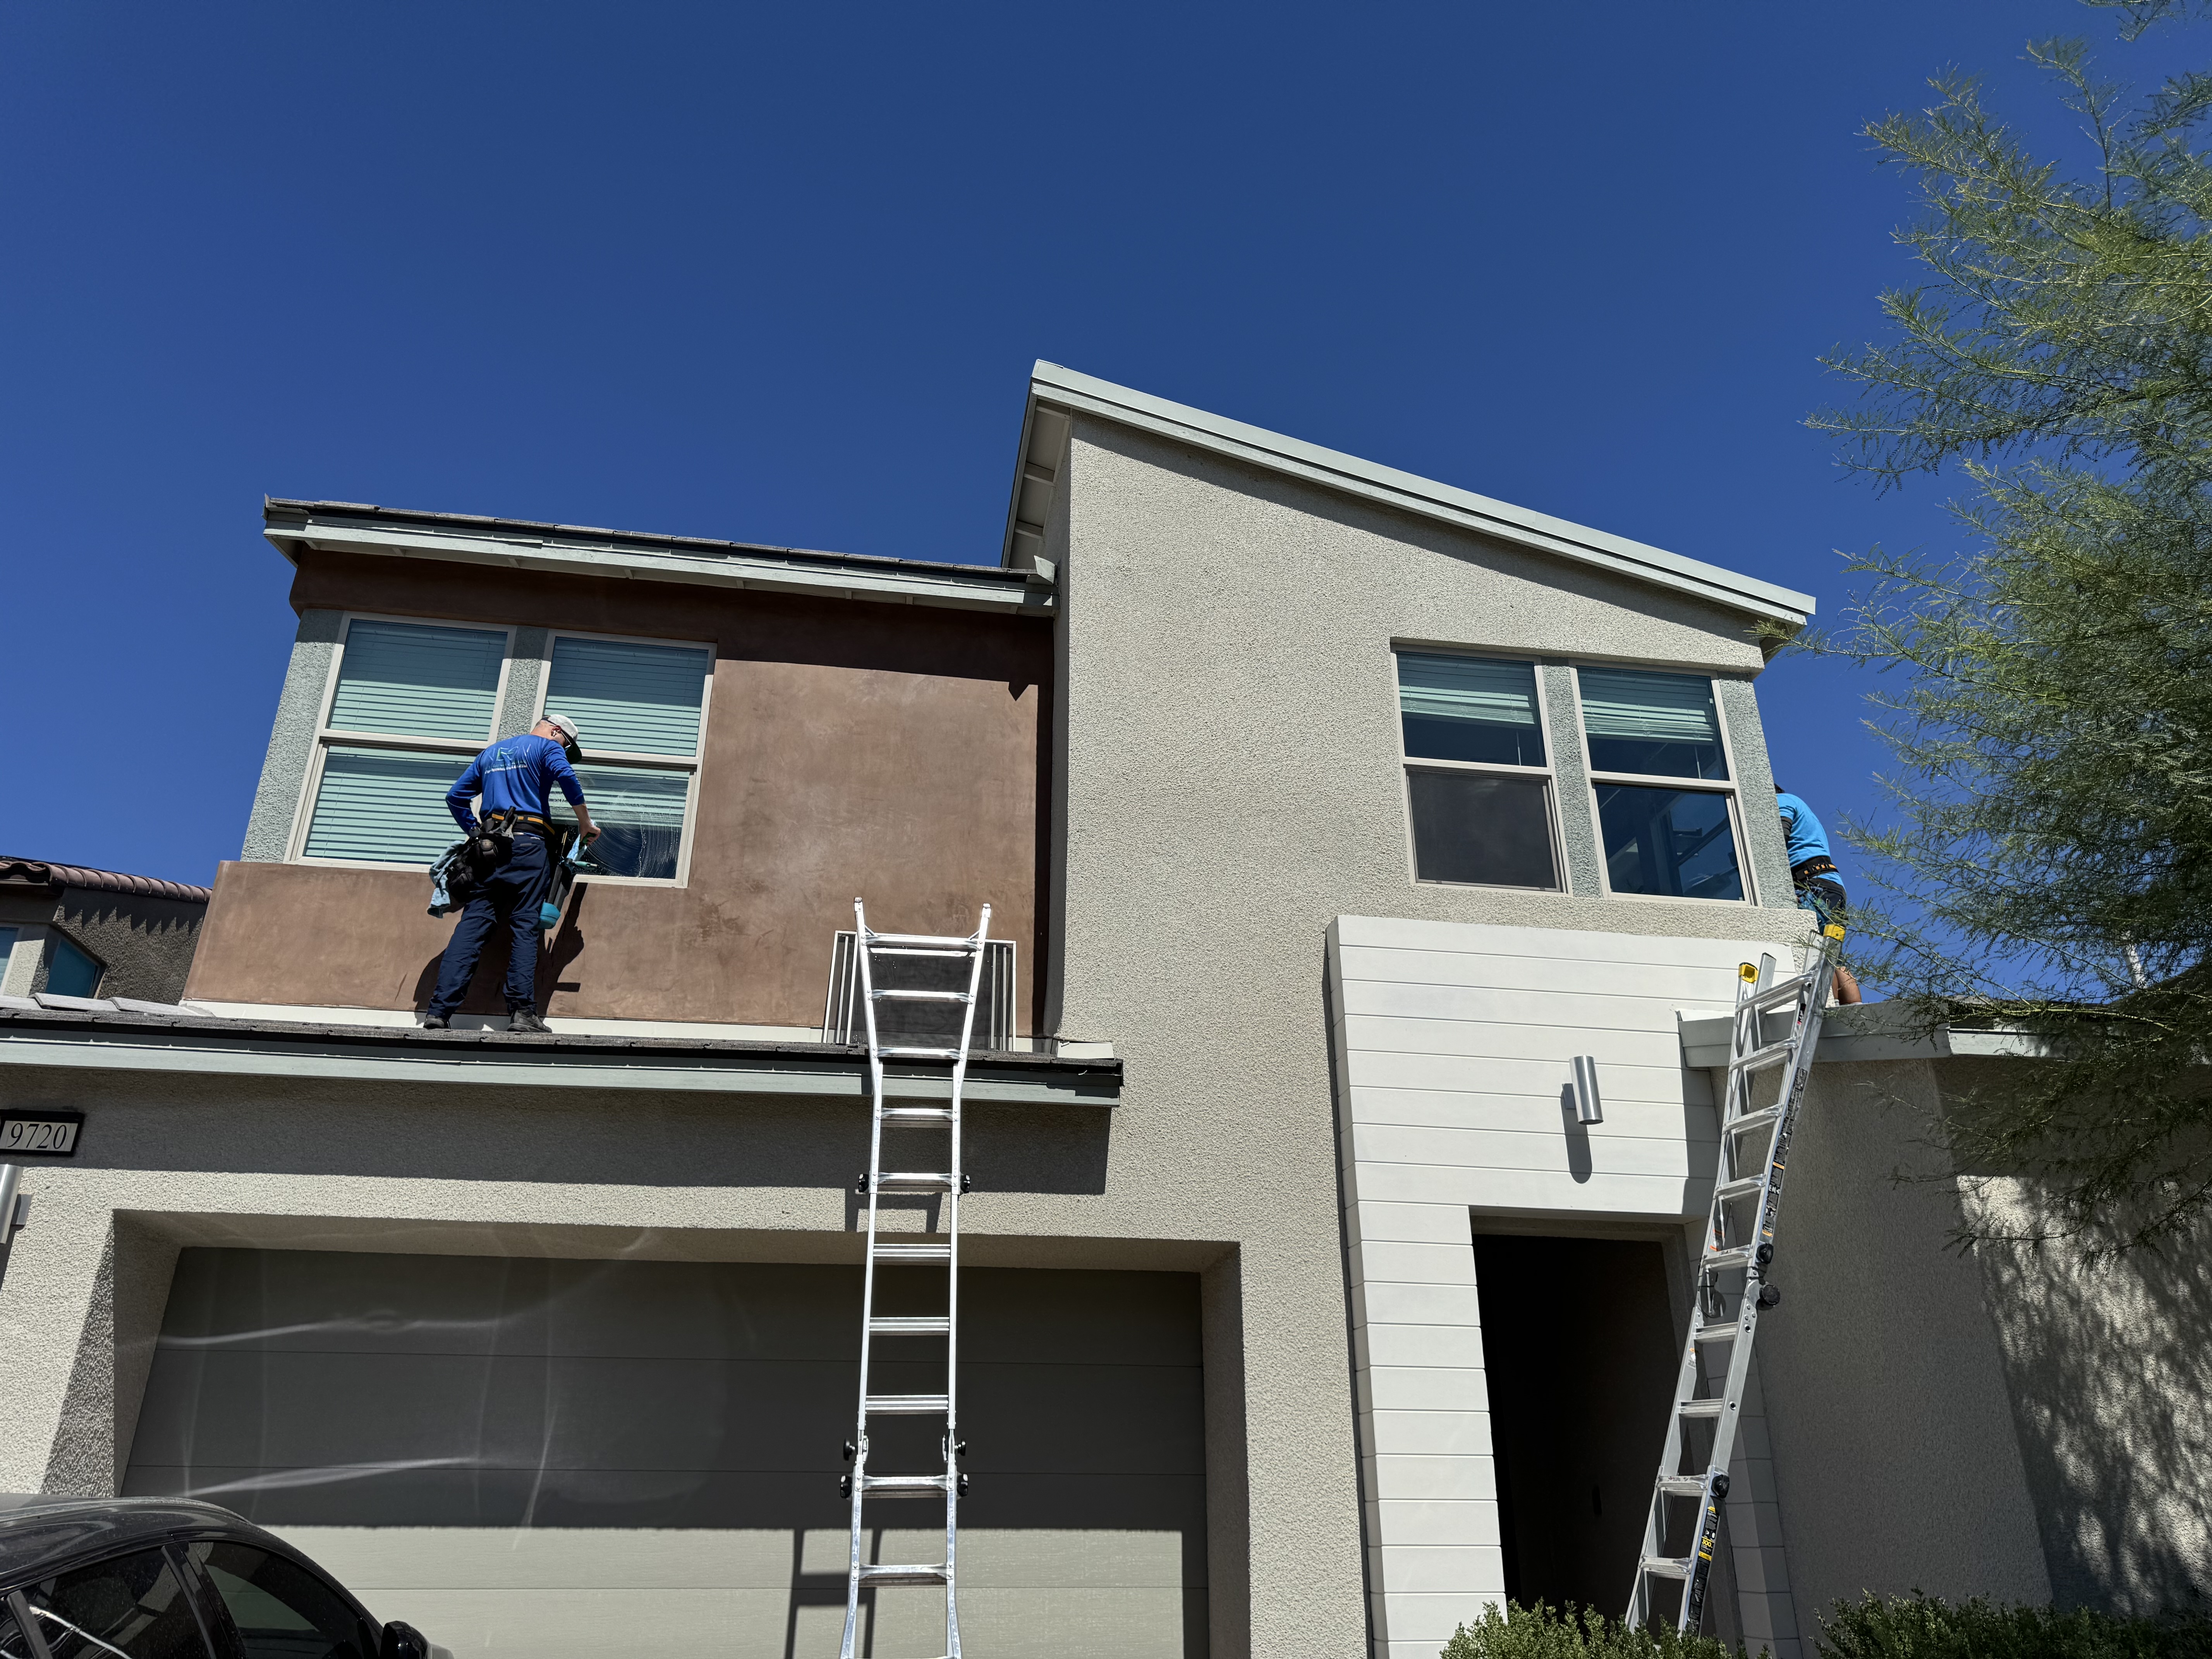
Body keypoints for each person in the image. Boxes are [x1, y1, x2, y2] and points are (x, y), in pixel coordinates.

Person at [423, 714, 601, 1033]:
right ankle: (522, 1014)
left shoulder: (491, 754)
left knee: (472, 929)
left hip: (488, 850)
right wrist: (585, 823)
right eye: (567, 744)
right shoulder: (547, 748)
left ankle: (438, 1013)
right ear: (556, 731)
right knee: (525, 927)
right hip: (528, 845)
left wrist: (476, 833)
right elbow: (568, 779)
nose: (564, 749)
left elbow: (455, 797)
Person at [1776, 783, 1860, 1005]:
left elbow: (1778, 842)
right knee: (1834, 958)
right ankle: (1857, 1013)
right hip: (1833, 889)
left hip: (1814, 887)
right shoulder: (1805, 811)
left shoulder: (1783, 802)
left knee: (1820, 955)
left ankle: (1826, 1009)